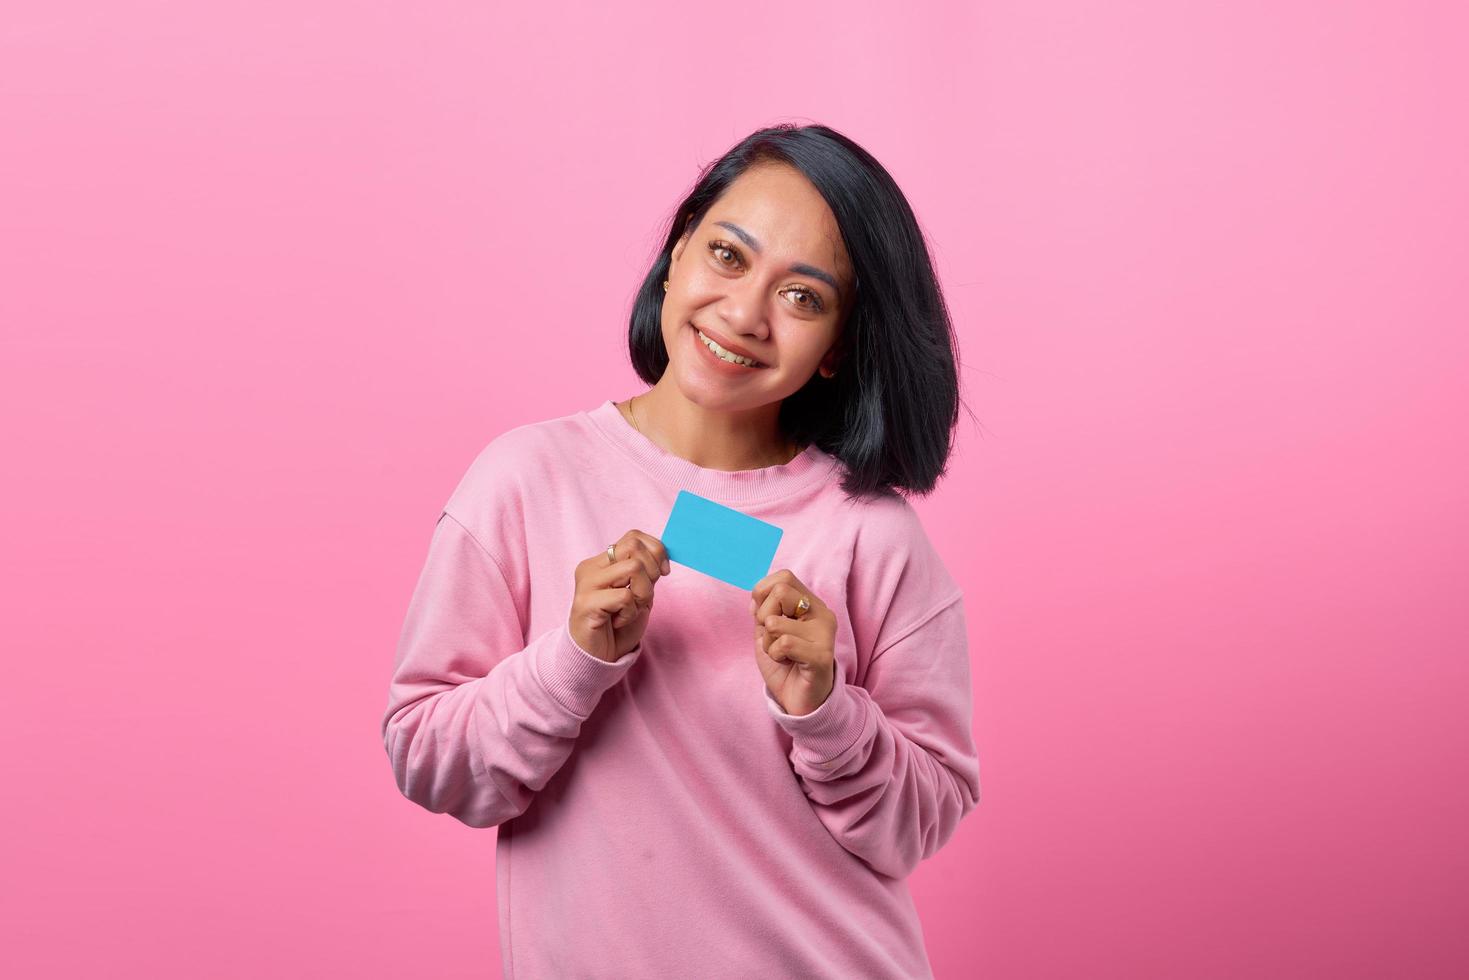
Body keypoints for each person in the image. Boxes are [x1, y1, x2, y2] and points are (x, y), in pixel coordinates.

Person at [381, 123, 981, 979]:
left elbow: (922, 821)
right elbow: (429, 760)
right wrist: (571, 663)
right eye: (729, 257)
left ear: (838, 347)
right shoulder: (527, 479)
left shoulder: (871, 536)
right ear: (677, 250)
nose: (743, 316)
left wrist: (828, 712)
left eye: (803, 298)